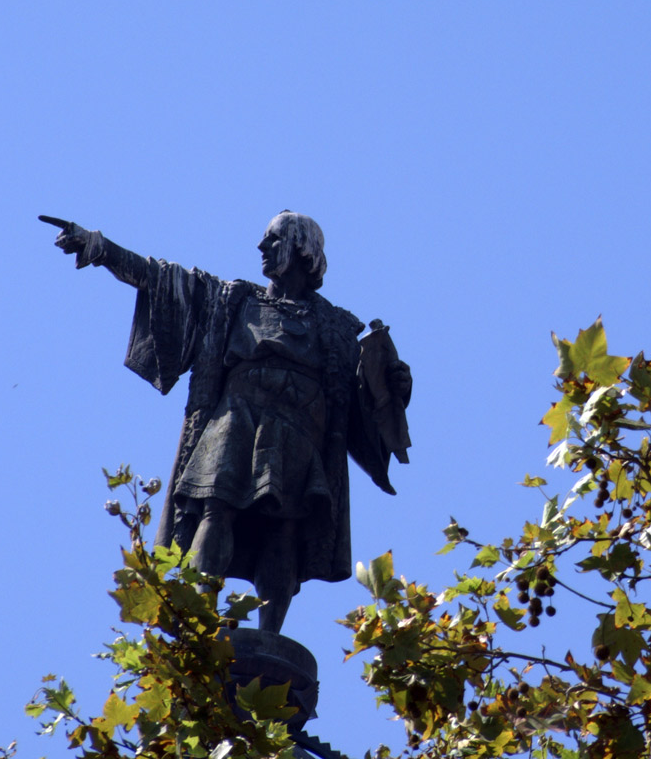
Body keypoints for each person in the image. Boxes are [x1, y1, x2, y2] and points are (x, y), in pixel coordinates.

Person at [45, 211, 411, 633]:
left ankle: (269, 636)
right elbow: (161, 279)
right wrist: (101, 248)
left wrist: (397, 387)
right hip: (235, 422)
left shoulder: (336, 328)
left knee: (285, 529)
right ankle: (203, 613)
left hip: (298, 436)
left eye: (273, 240)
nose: (261, 248)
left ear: (301, 248)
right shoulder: (233, 299)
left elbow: (363, 406)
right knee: (215, 510)